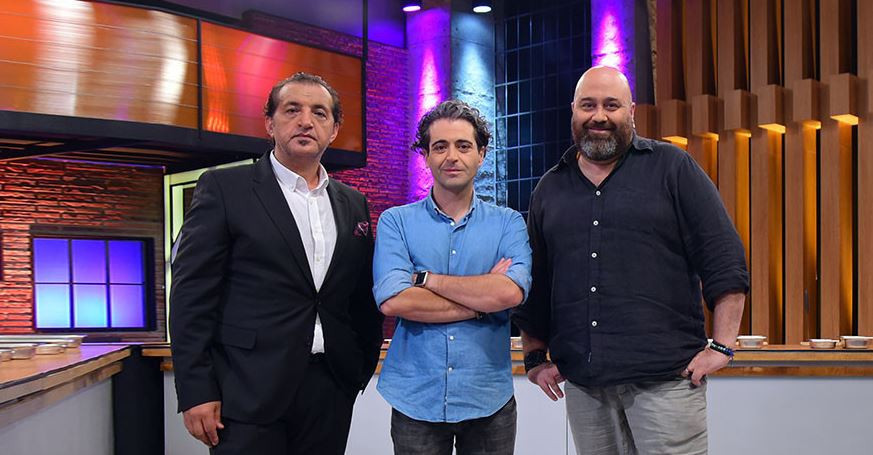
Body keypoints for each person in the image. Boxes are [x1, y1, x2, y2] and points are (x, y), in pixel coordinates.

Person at [512, 66, 749, 454]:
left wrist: (722, 346)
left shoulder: (673, 167)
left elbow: (724, 257)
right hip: (586, 387)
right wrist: (535, 355)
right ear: (573, 111)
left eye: (612, 105)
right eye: (588, 105)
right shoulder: (550, 188)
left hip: (666, 384)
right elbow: (537, 283)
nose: (599, 116)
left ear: (631, 111)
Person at [170, 72, 384, 455]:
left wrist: (359, 367)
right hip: (246, 389)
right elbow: (191, 296)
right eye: (292, 110)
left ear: (334, 130)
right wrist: (196, 389)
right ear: (270, 123)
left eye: (319, 113)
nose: (306, 121)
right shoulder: (225, 189)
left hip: (330, 388)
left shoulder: (353, 203)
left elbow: (359, 295)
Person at [373, 99, 532, 454]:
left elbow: (509, 294)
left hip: (488, 398)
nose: (452, 156)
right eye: (440, 146)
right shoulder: (396, 222)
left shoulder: (508, 223)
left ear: (481, 154)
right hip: (416, 398)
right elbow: (395, 301)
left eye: (463, 146)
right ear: (426, 155)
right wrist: (481, 303)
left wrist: (426, 280)